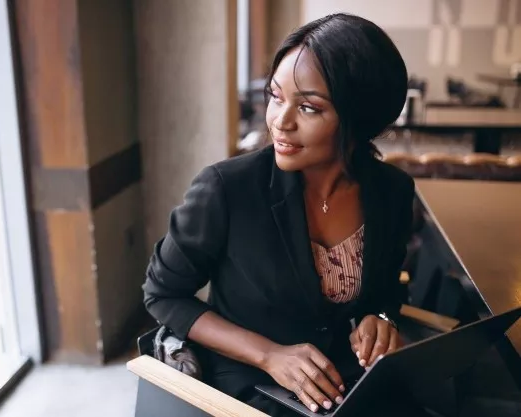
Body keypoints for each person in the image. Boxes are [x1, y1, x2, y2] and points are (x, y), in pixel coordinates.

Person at [143, 13, 414, 416]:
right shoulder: (226, 188)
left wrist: (380, 316)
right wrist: (268, 354)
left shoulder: (391, 191)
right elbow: (163, 294)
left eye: (307, 107)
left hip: (345, 383)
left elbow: (387, 289)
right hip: (249, 386)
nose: (279, 122)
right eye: (275, 95)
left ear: (358, 118)